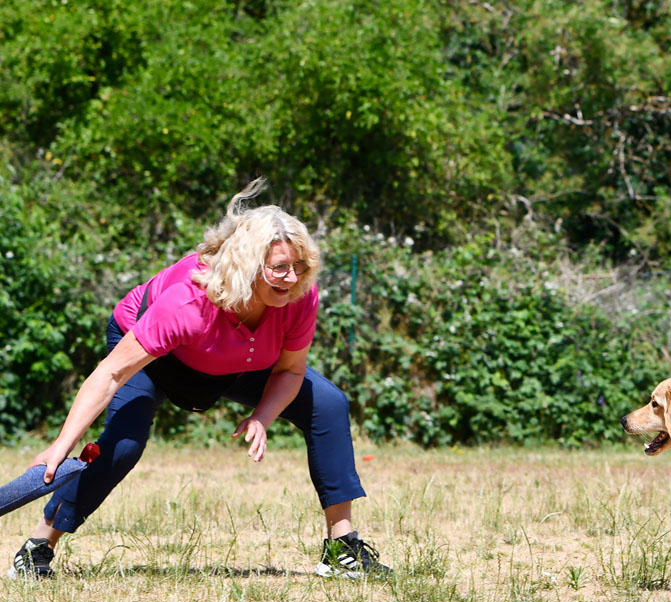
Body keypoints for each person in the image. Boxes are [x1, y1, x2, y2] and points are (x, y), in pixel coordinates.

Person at [8, 179, 391, 580]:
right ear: (247, 263)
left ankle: (341, 547)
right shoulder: (189, 302)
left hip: (233, 360)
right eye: (280, 267)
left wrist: (262, 416)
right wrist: (59, 447)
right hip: (160, 359)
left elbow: (290, 370)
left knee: (328, 403)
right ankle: (38, 546)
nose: (293, 277)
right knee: (122, 445)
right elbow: (110, 374)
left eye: (300, 266)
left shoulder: (296, 296)